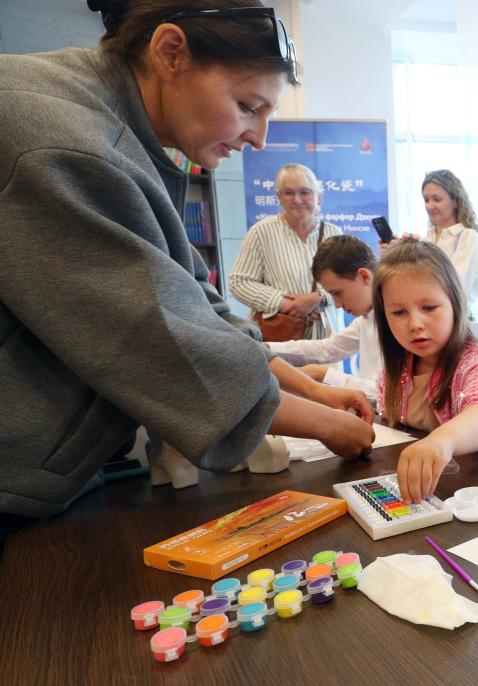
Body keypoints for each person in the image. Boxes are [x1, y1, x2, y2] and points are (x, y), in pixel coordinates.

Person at [0, 0, 374, 539]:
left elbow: (205, 312)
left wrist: (314, 394)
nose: (259, 138)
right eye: (247, 106)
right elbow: (163, 341)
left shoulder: (117, 134)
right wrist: (329, 426)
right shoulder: (65, 142)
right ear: (171, 53)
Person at [373, 241, 478, 504]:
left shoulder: (476, 361)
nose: (415, 324)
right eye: (399, 312)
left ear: (455, 303)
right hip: (425, 494)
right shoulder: (399, 366)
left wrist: (442, 441)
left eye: (428, 308)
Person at [230, 162, 343, 340]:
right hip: (279, 339)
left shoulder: (334, 233)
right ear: (279, 197)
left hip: (328, 338)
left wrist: (318, 299)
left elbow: (346, 282)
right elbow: (240, 282)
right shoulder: (261, 232)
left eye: (305, 192)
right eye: (289, 193)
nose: (297, 200)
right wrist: (285, 303)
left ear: (318, 197)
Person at [266, 235, 382, 400]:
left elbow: (389, 395)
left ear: (364, 276)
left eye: (338, 293)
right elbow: (328, 348)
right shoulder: (366, 320)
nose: (337, 304)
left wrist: (323, 375)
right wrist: (267, 348)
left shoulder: (397, 322)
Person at [381, 170, 478, 312]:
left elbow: (456, 287)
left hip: (455, 319)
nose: (429, 206)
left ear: (455, 201)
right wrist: (397, 255)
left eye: (436, 199)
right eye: (426, 200)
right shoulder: (426, 240)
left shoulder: (468, 237)